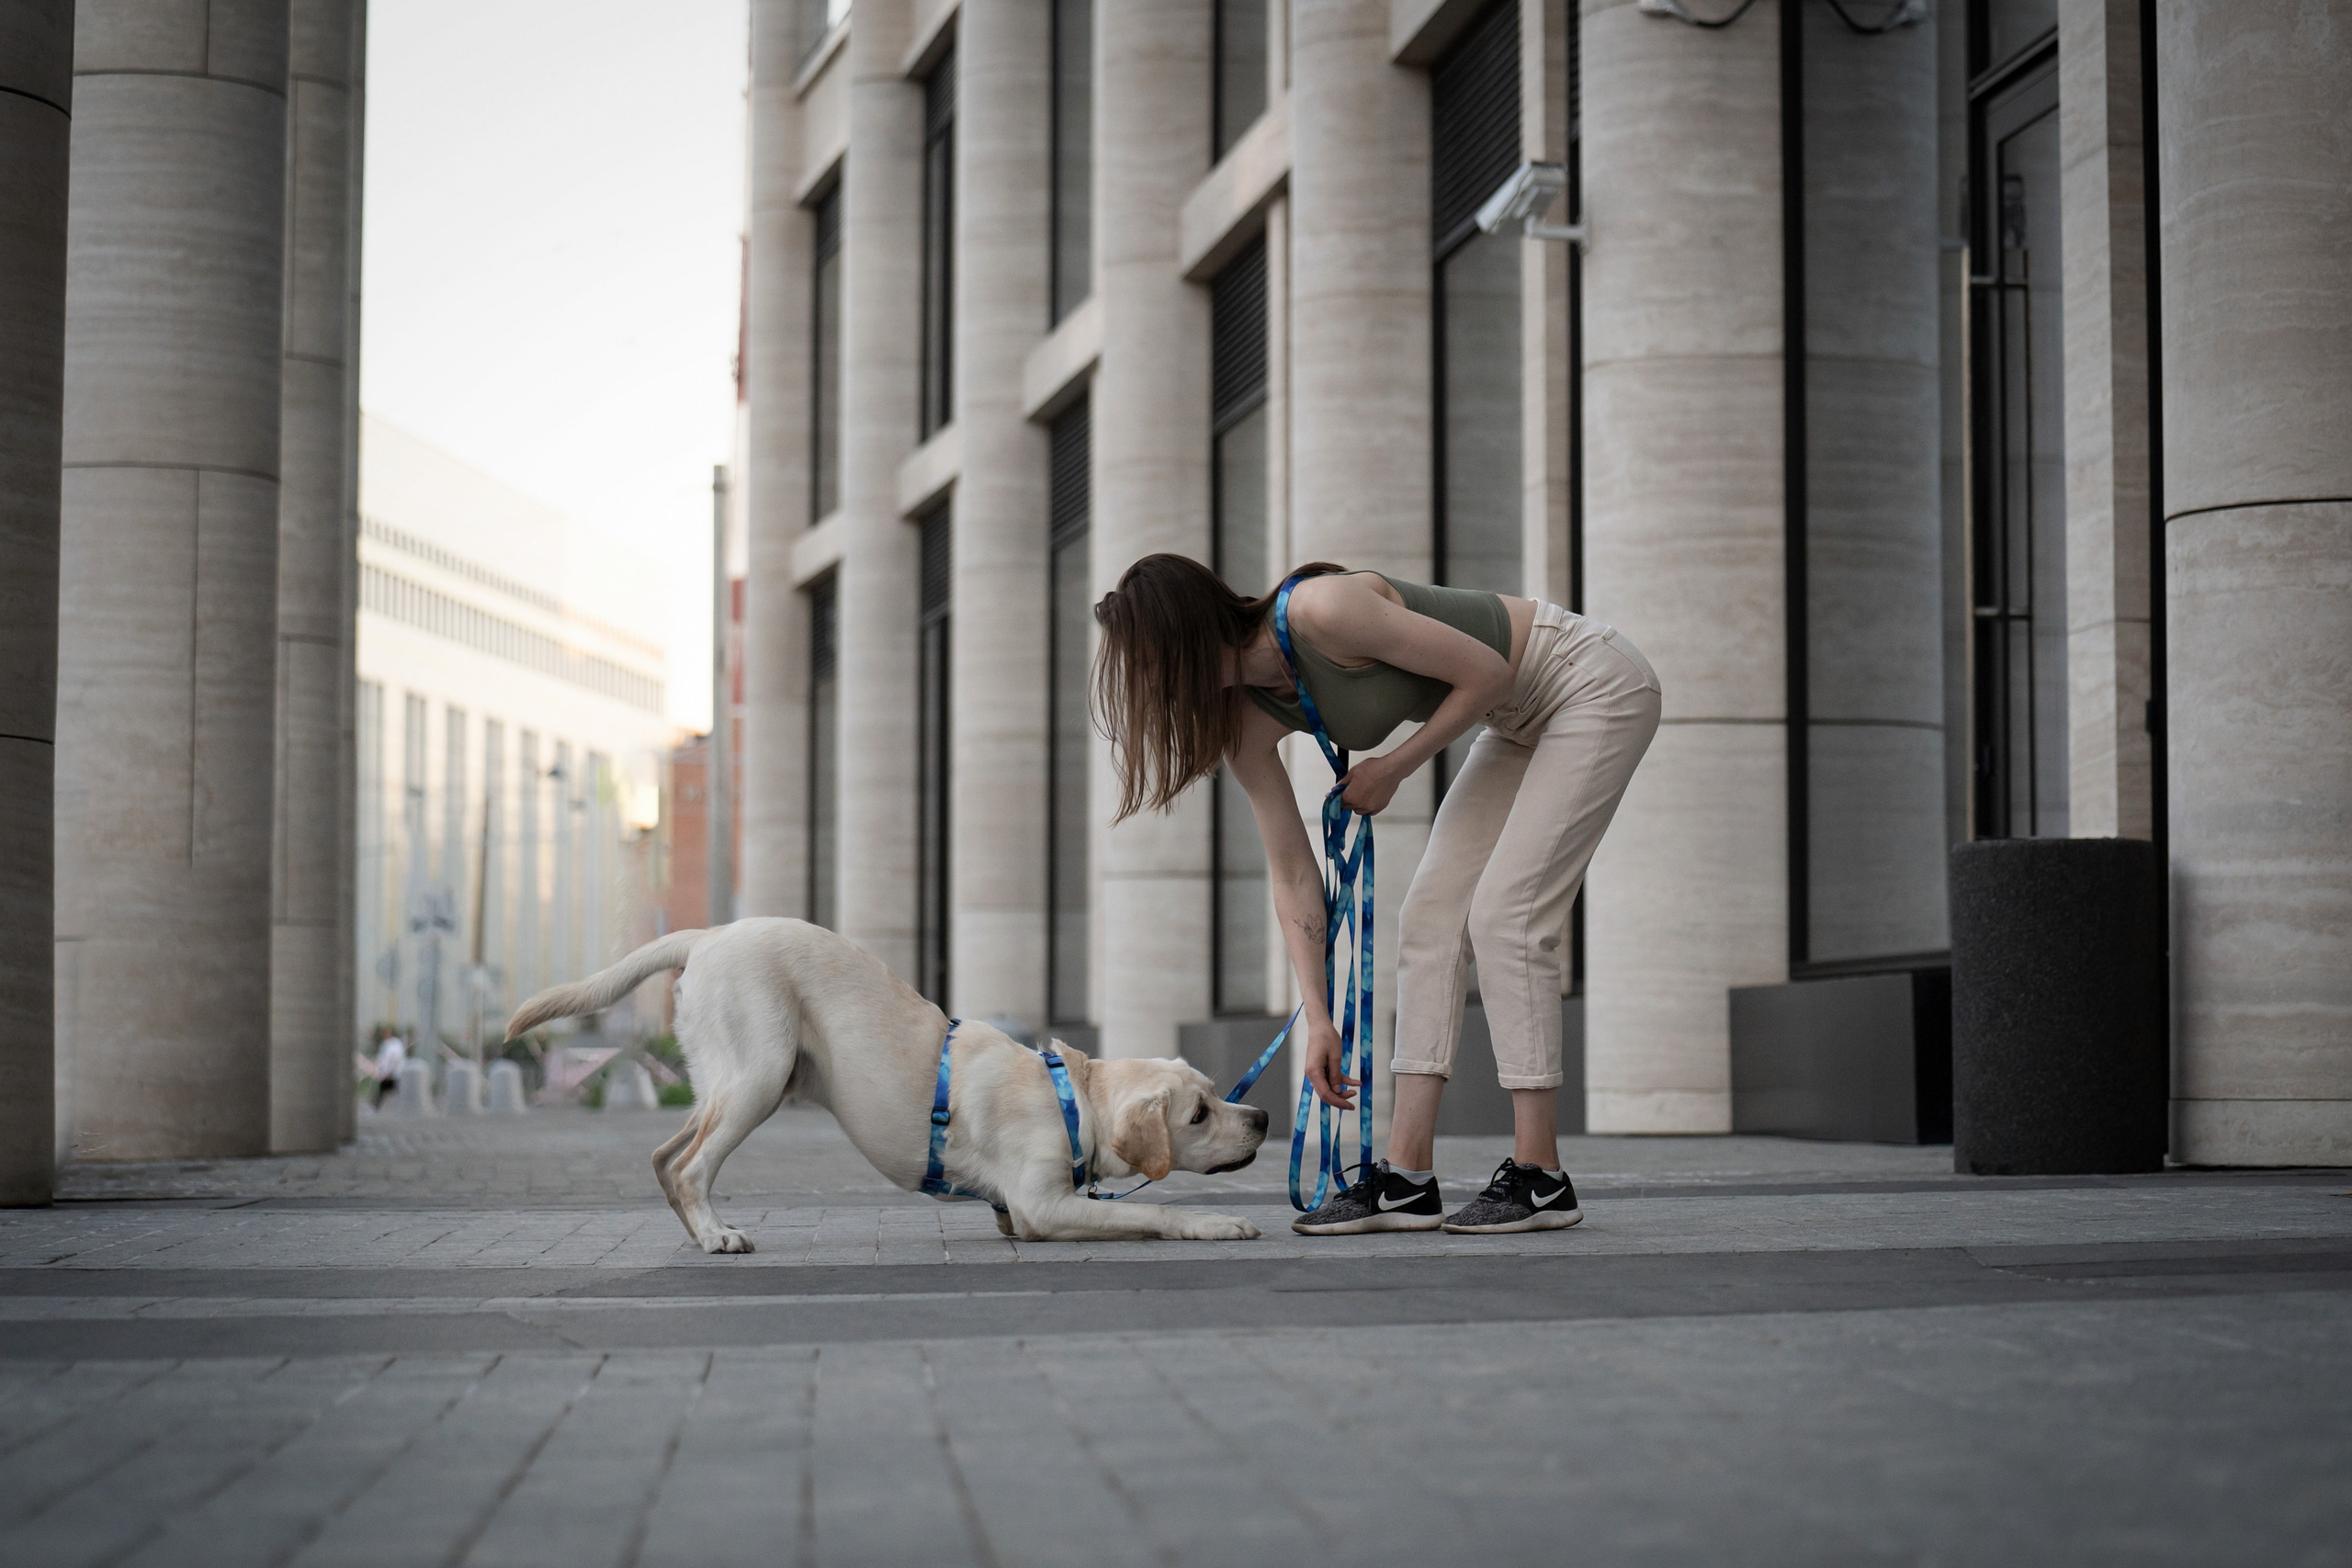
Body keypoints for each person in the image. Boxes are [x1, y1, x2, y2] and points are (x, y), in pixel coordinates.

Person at [1093, 557, 1659, 1235]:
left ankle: (1541, 1175)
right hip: (1515, 721)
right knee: (1428, 919)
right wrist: (1320, 1019)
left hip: (1587, 681)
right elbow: (1294, 876)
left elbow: (1490, 672)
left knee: (1506, 916)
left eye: (1142, 660)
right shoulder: (1244, 724)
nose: (1141, 680)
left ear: (1180, 639)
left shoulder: (1320, 611)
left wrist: (1393, 768)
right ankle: (1407, 1177)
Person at [373, 1032, 407, 1109]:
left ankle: (377, 1107)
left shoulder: (393, 1046)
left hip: (391, 1074)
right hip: (391, 1074)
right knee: (391, 1091)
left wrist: (389, 1073)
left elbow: (393, 1060)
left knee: (385, 1091)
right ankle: (377, 1106)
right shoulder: (391, 1045)